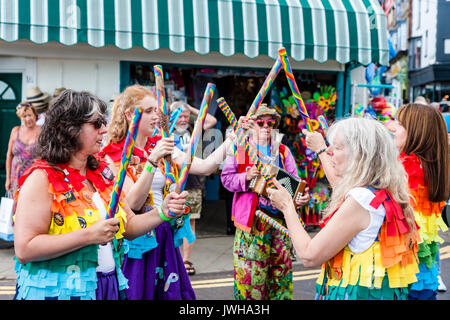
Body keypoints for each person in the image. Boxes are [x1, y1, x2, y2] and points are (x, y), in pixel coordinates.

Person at [13, 89, 188, 300]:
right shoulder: (41, 179)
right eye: (96, 124)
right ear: (70, 128)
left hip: (108, 287)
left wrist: (163, 211)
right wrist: (88, 236)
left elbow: (129, 226)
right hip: (61, 293)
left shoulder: (103, 173)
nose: (104, 130)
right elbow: (25, 248)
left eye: (103, 123)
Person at [102, 84, 235, 300]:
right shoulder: (113, 157)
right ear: (129, 114)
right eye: (149, 111)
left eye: (156, 110)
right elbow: (132, 204)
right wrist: (151, 161)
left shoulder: (162, 145)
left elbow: (204, 166)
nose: (157, 116)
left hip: (164, 235)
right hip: (135, 244)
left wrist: (231, 141)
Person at [273, 117, 420, 300]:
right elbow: (339, 183)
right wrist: (320, 151)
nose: (329, 151)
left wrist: (287, 206)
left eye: (338, 147)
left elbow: (309, 255)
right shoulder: (381, 191)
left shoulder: (361, 200)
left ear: (360, 155)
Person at [221, 104, 310, 300]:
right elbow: (226, 180)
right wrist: (245, 177)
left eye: (271, 123)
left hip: (280, 223)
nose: (266, 126)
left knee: (280, 276)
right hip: (252, 224)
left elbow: (295, 183)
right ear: (252, 125)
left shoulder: (283, 151)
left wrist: (302, 197)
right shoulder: (241, 148)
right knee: (251, 279)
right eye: (261, 122)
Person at [389, 103, 449, 300]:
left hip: (402, 276)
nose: (392, 127)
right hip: (424, 273)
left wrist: (321, 150)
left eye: (399, 123)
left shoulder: (405, 168)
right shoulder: (434, 165)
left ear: (415, 132)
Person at [170, 100, 217, 276]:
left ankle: (185, 260)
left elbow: (211, 121)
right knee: (170, 222)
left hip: (193, 183)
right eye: (179, 115)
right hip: (172, 184)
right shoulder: (165, 133)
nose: (183, 119)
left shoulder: (193, 130)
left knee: (190, 223)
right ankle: (171, 258)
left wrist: (190, 108)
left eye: (185, 116)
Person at [5, 103, 41, 198]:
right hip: (15, 178)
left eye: (30, 115)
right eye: (24, 116)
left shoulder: (43, 131)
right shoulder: (15, 131)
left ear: (35, 115)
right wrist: (8, 178)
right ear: (20, 118)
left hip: (33, 176)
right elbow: (9, 155)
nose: (28, 119)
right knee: (15, 206)